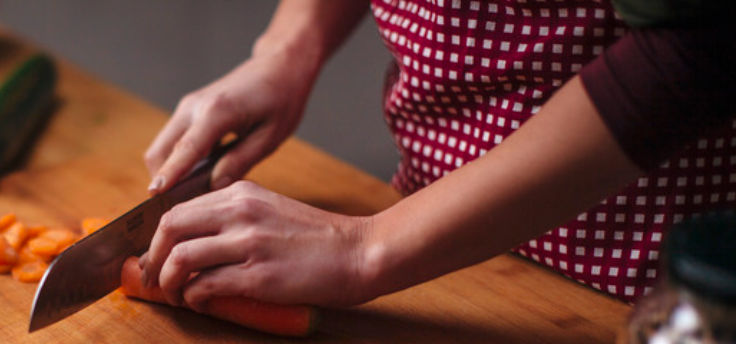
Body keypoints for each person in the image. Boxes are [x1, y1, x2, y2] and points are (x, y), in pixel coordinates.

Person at [135, 0, 736, 309]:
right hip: (427, 266)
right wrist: (289, 45)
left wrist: (365, 248)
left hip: (621, 290)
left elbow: (696, 45)